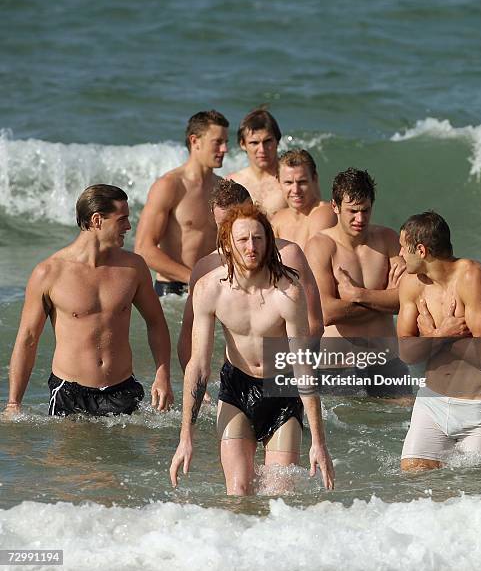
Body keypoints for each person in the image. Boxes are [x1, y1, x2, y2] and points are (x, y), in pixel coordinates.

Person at [170, 203, 334, 495]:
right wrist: (186, 437)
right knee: (238, 492)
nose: (251, 247)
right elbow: (198, 366)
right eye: (243, 240)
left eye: (258, 238)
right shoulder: (211, 289)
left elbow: (302, 365)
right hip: (237, 389)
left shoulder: (287, 291)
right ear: (227, 244)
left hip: (282, 391)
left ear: (268, 241)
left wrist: (319, 443)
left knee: (279, 494)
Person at [5, 185, 173, 417]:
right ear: (97, 220)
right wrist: (14, 403)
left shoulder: (133, 268)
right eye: (122, 219)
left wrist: (162, 374)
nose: (128, 227)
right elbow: (28, 339)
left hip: (123, 389)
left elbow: (156, 322)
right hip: (69, 394)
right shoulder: (49, 273)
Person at [177, 179, 324, 374]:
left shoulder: (289, 254)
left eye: (235, 221)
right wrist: (197, 389)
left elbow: (315, 323)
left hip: (285, 373)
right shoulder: (206, 268)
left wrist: (299, 373)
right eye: (223, 225)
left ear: (253, 211)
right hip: (236, 378)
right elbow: (188, 332)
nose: (230, 232)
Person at [397, 211, 481, 471]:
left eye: (403, 247)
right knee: (413, 485)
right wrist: (441, 334)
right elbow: (406, 352)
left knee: (476, 495)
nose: (400, 254)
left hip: (478, 409)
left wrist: (430, 337)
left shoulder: (472, 277)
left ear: (420, 250)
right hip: (431, 404)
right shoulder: (411, 284)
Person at [305, 168, 411, 399]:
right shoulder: (320, 247)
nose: (360, 219)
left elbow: (406, 301)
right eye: (352, 211)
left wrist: (357, 295)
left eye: (365, 210)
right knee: (349, 434)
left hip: (386, 362)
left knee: (404, 425)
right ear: (335, 207)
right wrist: (384, 298)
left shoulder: (388, 239)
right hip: (337, 367)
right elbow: (327, 312)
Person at [135, 110, 229, 297]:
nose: (224, 149)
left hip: (214, 289)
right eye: (218, 142)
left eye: (226, 142)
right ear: (195, 141)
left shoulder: (223, 188)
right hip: (173, 291)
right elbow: (144, 249)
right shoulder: (170, 185)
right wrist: (194, 278)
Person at [226, 108, 286, 217]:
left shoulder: (292, 181)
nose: (262, 149)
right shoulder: (233, 183)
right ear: (242, 144)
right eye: (254, 143)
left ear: (277, 141)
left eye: (267, 141)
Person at [272, 149, 336, 249]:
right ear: (278, 182)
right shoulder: (277, 220)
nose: (295, 190)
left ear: (314, 179)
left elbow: (314, 261)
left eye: (302, 182)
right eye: (288, 182)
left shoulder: (324, 213)